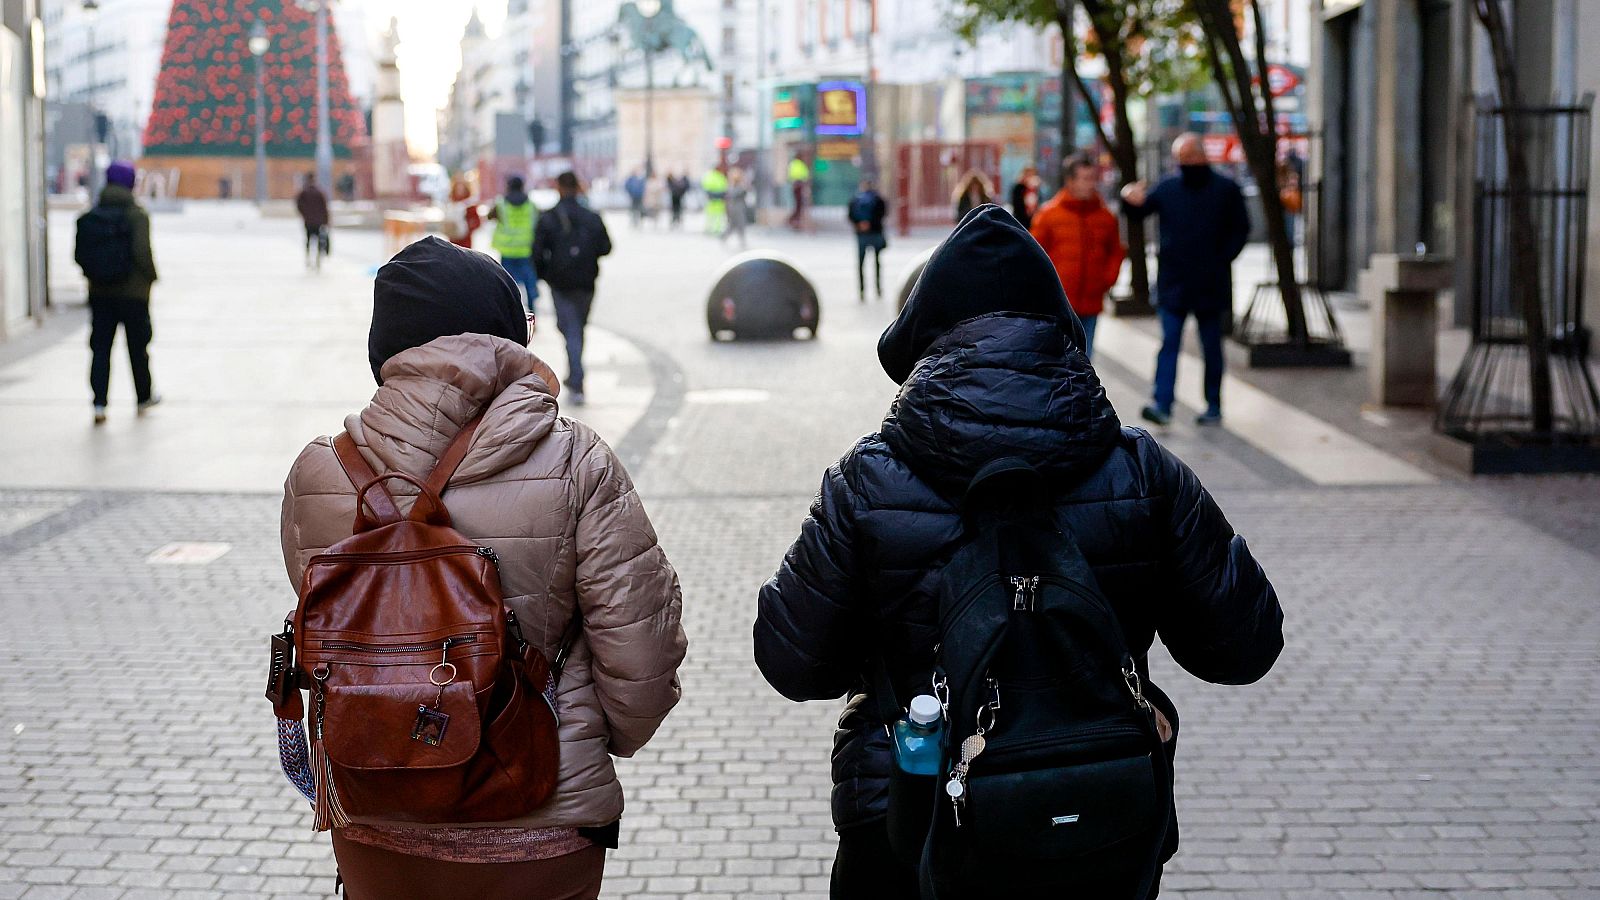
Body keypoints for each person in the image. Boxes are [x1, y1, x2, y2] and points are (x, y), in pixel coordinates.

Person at [753, 205, 1283, 899]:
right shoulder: (1144, 473)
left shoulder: (867, 480)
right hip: (1094, 817)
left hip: (908, 822)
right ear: (1061, 333)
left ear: (924, 343)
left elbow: (792, 663)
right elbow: (1243, 647)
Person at [280, 236, 686, 900]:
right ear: (506, 336)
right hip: (539, 819)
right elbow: (643, 651)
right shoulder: (576, 462)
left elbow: (324, 637)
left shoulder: (322, 471)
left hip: (375, 811)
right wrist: (585, 734)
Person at [1121, 133, 1251, 427]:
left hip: (1210, 281)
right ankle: (1162, 403)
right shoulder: (1168, 188)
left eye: (1191, 156)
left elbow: (1241, 229)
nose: (1187, 163)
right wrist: (1128, 197)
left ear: (1203, 156)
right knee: (1169, 342)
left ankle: (1213, 404)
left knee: (1211, 347)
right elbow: (1139, 210)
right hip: (1174, 281)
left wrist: (1222, 257)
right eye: (1182, 158)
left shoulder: (1225, 189)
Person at [75, 161, 159, 426]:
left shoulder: (91, 215)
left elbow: (79, 256)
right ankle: (143, 397)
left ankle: (99, 404)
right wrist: (151, 278)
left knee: (100, 349)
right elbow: (143, 253)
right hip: (133, 295)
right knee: (138, 348)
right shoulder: (137, 215)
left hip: (100, 294)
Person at [1030, 155, 1126, 356]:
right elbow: (1033, 254)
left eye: (1092, 178)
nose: (1090, 184)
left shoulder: (1105, 217)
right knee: (1059, 363)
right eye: (1084, 178)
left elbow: (1116, 250)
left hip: (1091, 301)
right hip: (1059, 306)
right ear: (1070, 181)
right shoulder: (1049, 215)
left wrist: (1107, 279)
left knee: (1085, 360)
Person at [533, 172, 613, 407]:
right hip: (586, 282)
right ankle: (574, 373)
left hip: (561, 282)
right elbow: (606, 247)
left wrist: (543, 275)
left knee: (570, 328)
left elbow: (536, 251)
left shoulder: (548, 217)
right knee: (576, 327)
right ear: (578, 187)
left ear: (558, 187)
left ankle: (576, 379)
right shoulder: (592, 216)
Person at [488, 175, 540, 314]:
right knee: (529, 284)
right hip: (526, 250)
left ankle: (510, 314)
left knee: (508, 285)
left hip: (507, 251)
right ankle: (532, 313)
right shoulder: (531, 205)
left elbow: (489, 216)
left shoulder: (501, 204)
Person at [847, 179, 889, 302]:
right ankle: (878, 288)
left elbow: (850, 215)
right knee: (877, 263)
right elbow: (883, 214)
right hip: (875, 233)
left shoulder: (855, 200)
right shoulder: (878, 199)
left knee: (861, 263)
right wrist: (871, 223)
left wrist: (860, 224)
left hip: (861, 235)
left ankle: (861, 290)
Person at [295, 173, 331, 268]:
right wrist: (326, 221)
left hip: (308, 221)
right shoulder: (319, 192)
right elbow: (325, 208)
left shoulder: (303, 193)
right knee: (319, 240)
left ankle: (308, 258)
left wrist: (304, 215)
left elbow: (299, 205)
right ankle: (318, 259)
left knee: (308, 240)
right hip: (318, 222)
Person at [443, 176, 482, 249]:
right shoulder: (450, 203)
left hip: (465, 241)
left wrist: (467, 227)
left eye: (462, 188)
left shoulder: (470, 204)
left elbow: (477, 222)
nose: (459, 190)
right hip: (453, 239)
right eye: (458, 188)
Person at [722, 167, 751, 250]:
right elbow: (733, 195)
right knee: (736, 224)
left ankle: (740, 240)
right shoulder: (733, 186)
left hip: (737, 207)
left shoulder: (737, 186)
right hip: (735, 208)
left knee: (735, 225)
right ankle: (727, 238)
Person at [1009, 164, 1042, 230]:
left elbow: (1040, 202)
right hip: (1021, 220)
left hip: (1034, 220)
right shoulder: (1018, 187)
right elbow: (1016, 204)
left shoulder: (1036, 188)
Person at [701, 166, 729, 236]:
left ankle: (710, 229)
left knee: (711, 216)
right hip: (718, 200)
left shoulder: (709, 176)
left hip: (712, 200)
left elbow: (705, 187)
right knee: (717, 216)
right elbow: (725, 187)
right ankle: (716, 229)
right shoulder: (721, 177)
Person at [787, 152, 811, 230]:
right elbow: (804, 175)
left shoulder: (794, 164)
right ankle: (793, 220)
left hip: (798, 186)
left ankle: (795, 220)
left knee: (799, 205)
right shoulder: (798, 164)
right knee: (799, 205)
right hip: (799, 186)